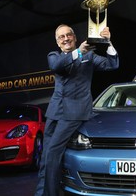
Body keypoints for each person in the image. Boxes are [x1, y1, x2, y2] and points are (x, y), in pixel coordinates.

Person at [35, 24, 119, 196]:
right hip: (54, 112)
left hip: (75, 112)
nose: (65, 39)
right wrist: (78, 52)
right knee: (46, 158)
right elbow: (57, 66)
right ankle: (41, 192)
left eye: (68, 35)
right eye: (61, 37)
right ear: (58, 42)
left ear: (74, 37)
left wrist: (108, 43)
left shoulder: (89, 56)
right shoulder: (54, 56)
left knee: (52, 153)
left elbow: (112, 65)